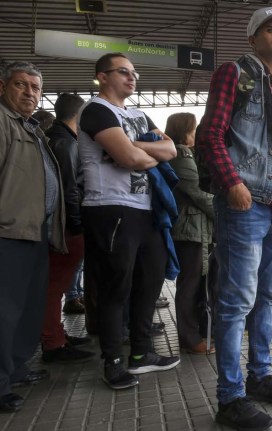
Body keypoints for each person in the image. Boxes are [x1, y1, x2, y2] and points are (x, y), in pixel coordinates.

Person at [197, 7, 272, 430]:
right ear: (253, 38)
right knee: (236, 302)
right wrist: (232, 182)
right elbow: (210, 134)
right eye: (271, 30)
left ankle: (259, 377)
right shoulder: (232, 74)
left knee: (267, 299)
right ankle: (230, 397)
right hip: (245, 203)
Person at [78, 52, 179, 390]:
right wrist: (135, 151)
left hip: (146, 210)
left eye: (134, 72)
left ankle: (142, 354)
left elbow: (171, 150)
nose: (132, 77)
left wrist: (131, 147)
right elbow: (129, 157)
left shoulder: (138, 114)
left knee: (150, 283)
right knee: (115, 288)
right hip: (110, 207)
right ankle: (113, 362)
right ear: (102, 76)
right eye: (123, 72)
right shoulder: (96, 110)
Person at [0, 62, 66, 413]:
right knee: (5, 311)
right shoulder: (1, 121)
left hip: (34, 230)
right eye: (20, 84)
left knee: (27, 308)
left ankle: (16, 368)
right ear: (3, 87)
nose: (29, 92)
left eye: (35, 87)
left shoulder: (32, 127)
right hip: (9, 231)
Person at [40, 93, 95, 363]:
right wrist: (76, 225)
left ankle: (56, 333)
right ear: (80, 116)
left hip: (56, 223)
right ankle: (53, 341)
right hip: (65, 227)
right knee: (55, 285)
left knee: (56, 284)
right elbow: (70, 189)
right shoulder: (66, 144)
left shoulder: (53, 138)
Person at [166, 113, 216, 354]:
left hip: (196, 230)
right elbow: (198, 192)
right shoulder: (181, 154)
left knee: (197, 286)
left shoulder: (184, 154)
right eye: (193, 129)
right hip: (189, 231)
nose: (196, 134)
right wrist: (226, 211)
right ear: (183, 131)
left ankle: (199, 334)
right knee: (189, 287)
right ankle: (189, 338)